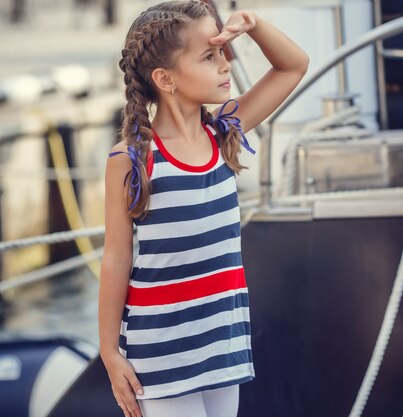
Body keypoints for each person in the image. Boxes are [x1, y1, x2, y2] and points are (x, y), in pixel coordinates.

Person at [98, 1, 308, 416]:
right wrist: (109, 352)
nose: (225, 64)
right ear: (165, 79)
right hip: (161, 353)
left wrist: (254, 26)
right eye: (209, 56)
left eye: (223, 52)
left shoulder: (224, 132)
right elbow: (116, 258)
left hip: (221, 341)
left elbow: (293, 67)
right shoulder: (132, 159)